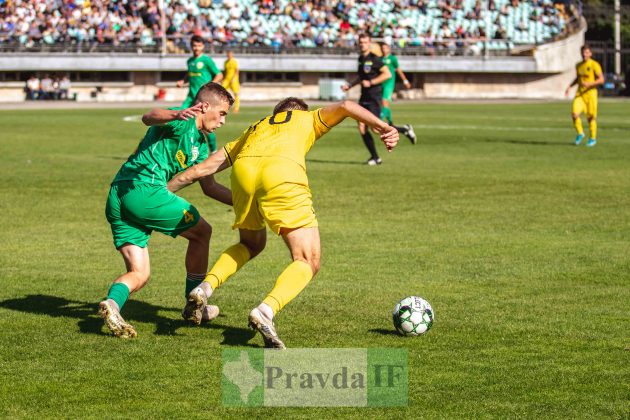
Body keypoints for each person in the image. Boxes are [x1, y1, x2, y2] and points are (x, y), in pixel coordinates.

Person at [166, 97, 399, 348]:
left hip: (243, 173)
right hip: (281, 173)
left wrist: (160, 192)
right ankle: (266, 310)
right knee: (307, 259)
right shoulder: (306, 118)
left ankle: (204, 288)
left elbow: (202, 169)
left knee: (251, 244)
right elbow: (345, 106)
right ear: (300, 111)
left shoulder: (256, 127)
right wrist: (383, 127)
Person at [99, 83, 234, 338]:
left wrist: (248, 204)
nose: (223, 121)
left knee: (140, 273)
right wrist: (176, 113)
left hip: (119, 194)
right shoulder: (183, 120)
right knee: (202, 231)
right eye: (223, 113)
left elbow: (211, 188)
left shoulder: (200, 146)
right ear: (205, 106)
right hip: (144, 188)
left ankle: (112, 305)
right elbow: (149, 117)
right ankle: (195, 303)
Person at [341, 33, 394, 166]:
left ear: (369, 43)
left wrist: (372, 82)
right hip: (364, 96)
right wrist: (350, 85)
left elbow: (387, 74)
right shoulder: (361, 58)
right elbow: (361, 77)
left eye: (365, 42)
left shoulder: (375, 59)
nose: (362, 44)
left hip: (374, 96)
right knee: (361, 127)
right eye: (361, 42)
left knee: (376, 129)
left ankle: (402, 130)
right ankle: (375, 157)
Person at [177, 35, 224, 153]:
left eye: (198, 45)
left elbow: (219, 75)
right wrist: (183, 81)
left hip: (203, 99)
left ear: (203, 46)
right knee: (179, 118)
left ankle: (213, 151)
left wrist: (210, 85)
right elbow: (189, 74)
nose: (196, 48)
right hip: (190, 97)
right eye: (194, 45)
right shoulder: (190, 61)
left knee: (206, 125)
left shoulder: (206, 60)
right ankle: (181, 148)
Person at [565, 44, 604, 147]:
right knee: (574, 114)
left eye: (587, 52)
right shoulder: (578, 65)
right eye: (583, 52)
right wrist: (570, 86)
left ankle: (592, 138)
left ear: (590, 54)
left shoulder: (594, 65)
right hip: (580, 94)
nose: (584, 54)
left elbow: (601, 79)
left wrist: (590, 84)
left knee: (591, 117)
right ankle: (580, 133)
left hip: (591, 94)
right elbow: (578, 79)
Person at [380, 42, 417, 145]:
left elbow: (399, 70)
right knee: (383, 104)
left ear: (388, 49)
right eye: (382, 48)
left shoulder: (392, 59)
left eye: (385, 48)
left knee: (384, 102)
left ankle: (382, 120)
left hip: (389, 84)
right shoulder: (379, 59)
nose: (383, 50)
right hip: (380, 84)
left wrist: (405, 81)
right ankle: (396, 126)